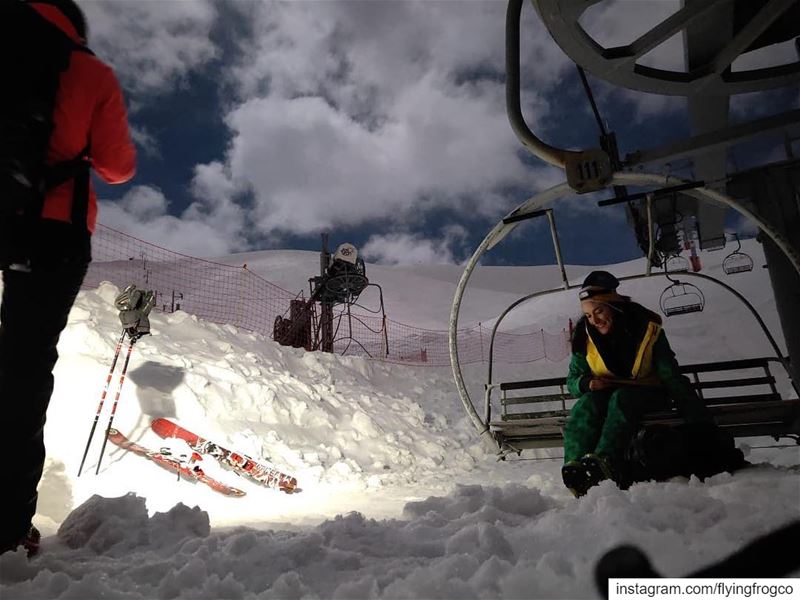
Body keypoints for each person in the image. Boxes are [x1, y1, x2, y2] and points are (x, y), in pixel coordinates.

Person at [0, 0, 136, 556]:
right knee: (22, 374)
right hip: (51, 236)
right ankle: (7, 527)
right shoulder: (89, 71)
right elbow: (119, 165)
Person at [561, 271, 712, 497]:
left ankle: (604, 460)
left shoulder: (647, 330)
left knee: (622, 399)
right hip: (607, 394)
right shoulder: (585, 338)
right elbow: (573, 380)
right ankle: (575, 466)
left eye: (599, 311)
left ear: (614, 305)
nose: (595, 320)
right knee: (586, 405)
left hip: (648, 393)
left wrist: (697, 417)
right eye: (589, 315)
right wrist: (587, 384)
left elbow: (669, 375)